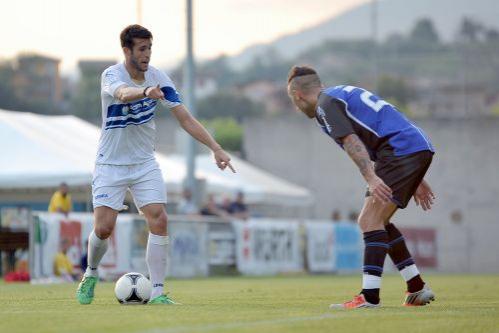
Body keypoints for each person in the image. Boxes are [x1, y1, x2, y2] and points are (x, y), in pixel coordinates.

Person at [76, 25, 235, 305]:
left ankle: (159, 292)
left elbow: (185, 118)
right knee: (103, 228)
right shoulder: (111, 75)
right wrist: (146, 91)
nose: (147, 54)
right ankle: (90, 273)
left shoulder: (159, 78)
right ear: (127, 51)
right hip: (110, 163)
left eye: (149, 48)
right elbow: (123, 94)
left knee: (159, 218)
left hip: (144, 163)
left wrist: (216, 147)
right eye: (141, 49)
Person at [287, 65, 436, 309]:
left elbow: (351, 140)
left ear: (299, 95)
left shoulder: (325, 105)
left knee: (368, 221)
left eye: (293, 101)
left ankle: (369, 297)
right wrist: (416, 176)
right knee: (380, 221)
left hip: (399, 150)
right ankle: (416, 287)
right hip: (411, 147)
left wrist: (371, 177)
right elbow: (380, 127)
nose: (296, 107)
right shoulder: (338, 95)